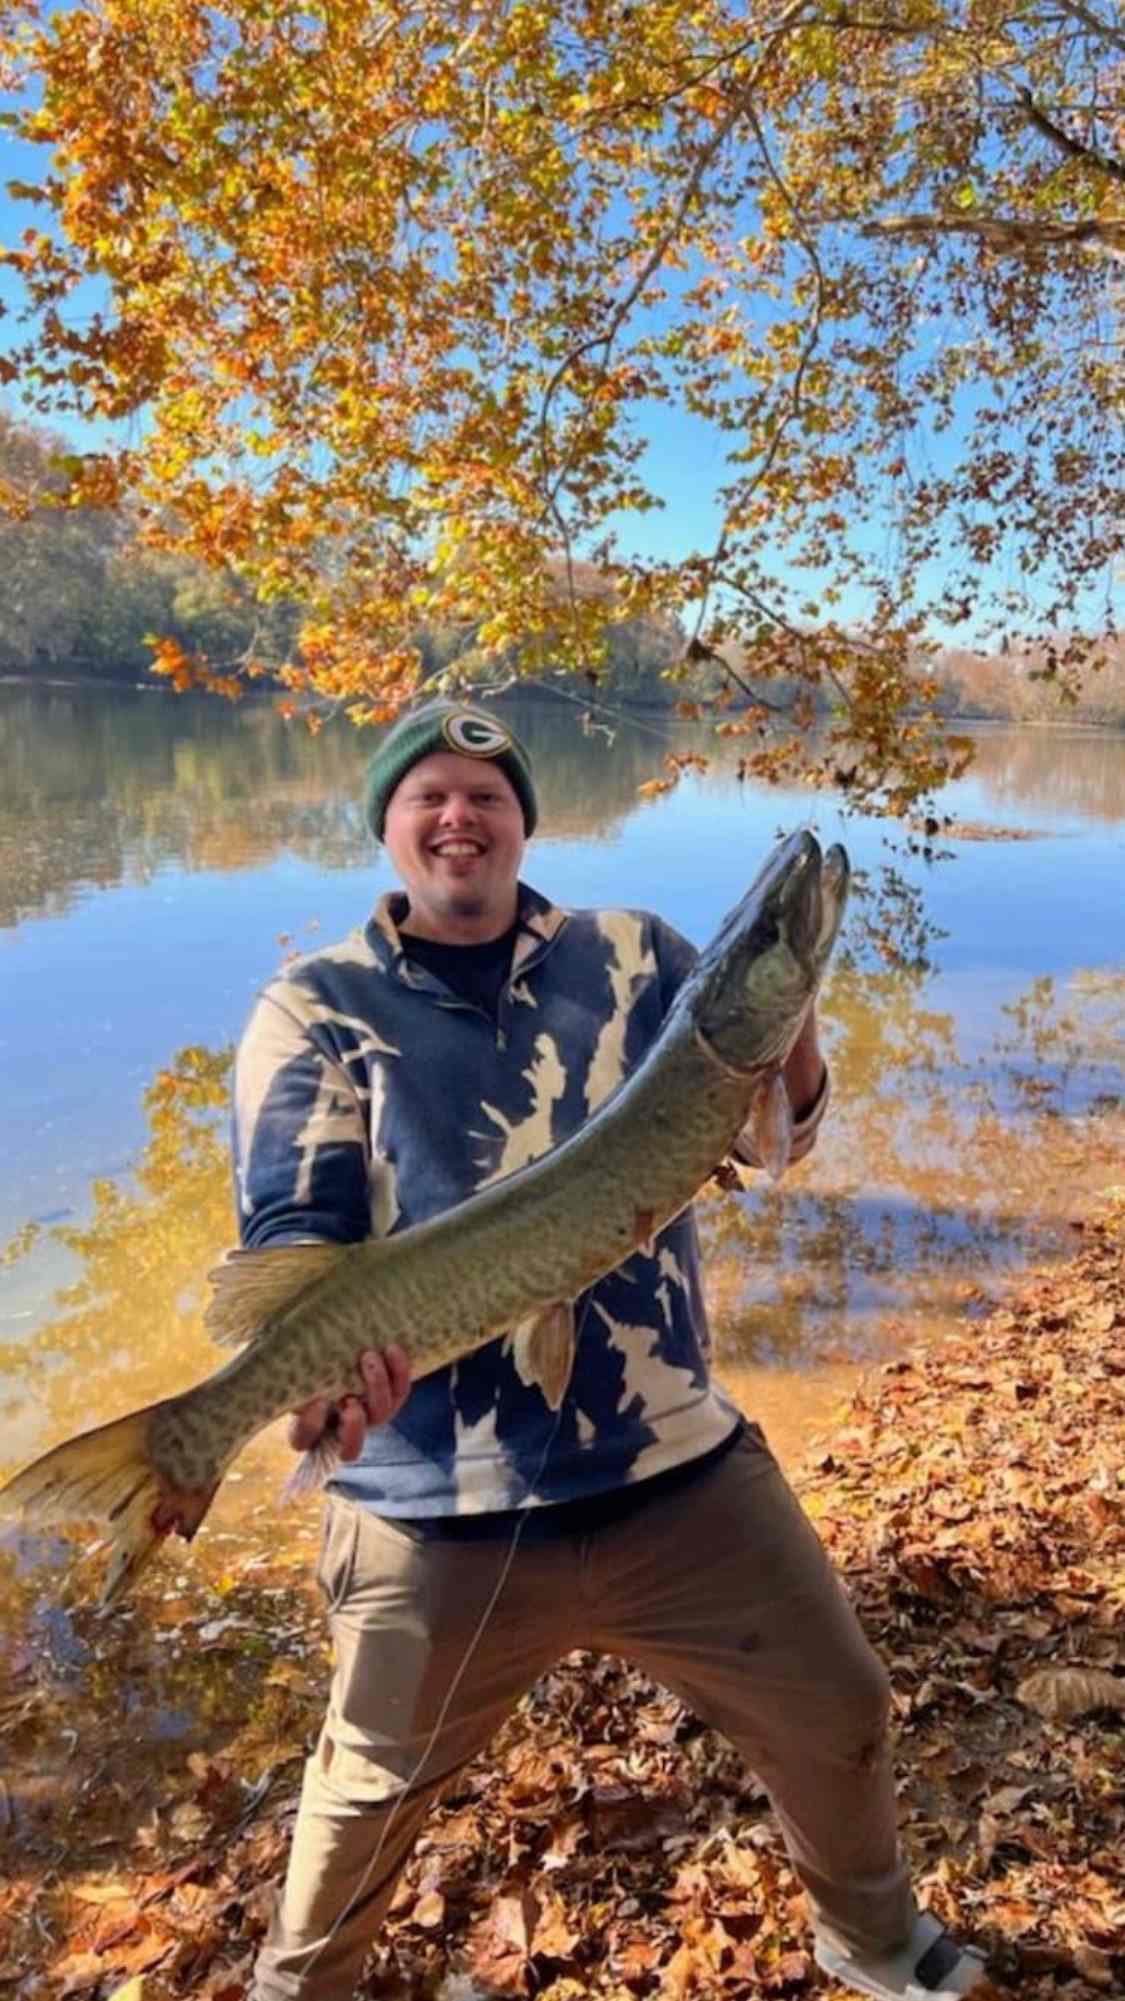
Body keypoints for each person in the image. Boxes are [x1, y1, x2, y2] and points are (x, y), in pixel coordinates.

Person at [234, 700, 993, 2001]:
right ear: (391, 827)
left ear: (525, 819)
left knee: (837, 1707)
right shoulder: (315, 1006)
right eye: (429, 796)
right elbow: (293, 1226)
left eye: (486, 792)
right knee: (362, 1792)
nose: (458, 815)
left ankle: (867, 1941)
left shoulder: (642, 956)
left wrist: (789, 1017)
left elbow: (773, 1145)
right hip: (435, 1506)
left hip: (672, 1467)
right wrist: (312, 1375)